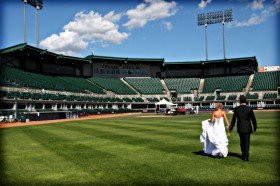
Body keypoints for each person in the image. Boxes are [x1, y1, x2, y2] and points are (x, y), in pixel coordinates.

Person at [230, 95, 257, 161]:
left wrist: (231, 128)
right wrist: (255, 127)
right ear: (246, 101)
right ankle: (246, 156)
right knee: (247, 143)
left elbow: (233, 120)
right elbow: (253, 119)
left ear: (240, 101)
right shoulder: (249, 109)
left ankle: (243, 154)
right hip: (248, 128)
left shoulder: (236, 109)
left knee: (242, 142)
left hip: (240, 127)